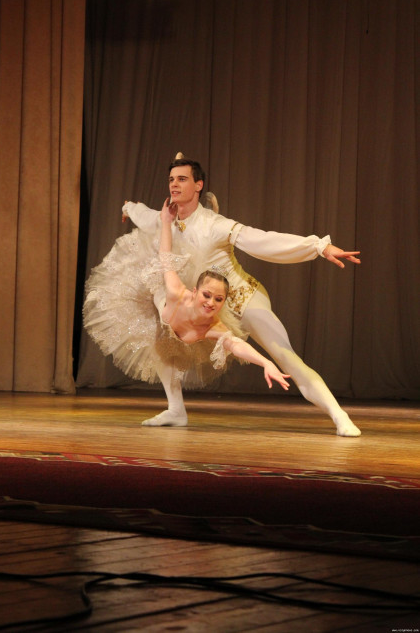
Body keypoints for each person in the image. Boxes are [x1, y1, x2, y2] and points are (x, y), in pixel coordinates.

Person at [121, 154, 362, 436]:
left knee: (285, 356)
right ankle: (176, 410)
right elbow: (141, 213)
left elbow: (263, 240)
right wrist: (127, 207)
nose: (174, 184)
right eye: (172, 179)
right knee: (164, 338)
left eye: (182, 179)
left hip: (240, 298)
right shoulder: (164, 219)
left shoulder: (216, 225)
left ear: (198, 185)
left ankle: (339, 414)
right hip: (206, 306)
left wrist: (319, 247)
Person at [83, 198, 290, 413]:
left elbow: (236, 345)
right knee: (154, 225)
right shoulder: (176, 292)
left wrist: (266, 363)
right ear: (194, 292)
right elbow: (165, 255)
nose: (210, 303)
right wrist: (166, 222)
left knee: (166, 355)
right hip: (152, 288)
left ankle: (175, 410)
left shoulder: (213, 327)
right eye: (207, 296)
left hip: (175, 323)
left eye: (218, 300)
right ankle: (129, 206)